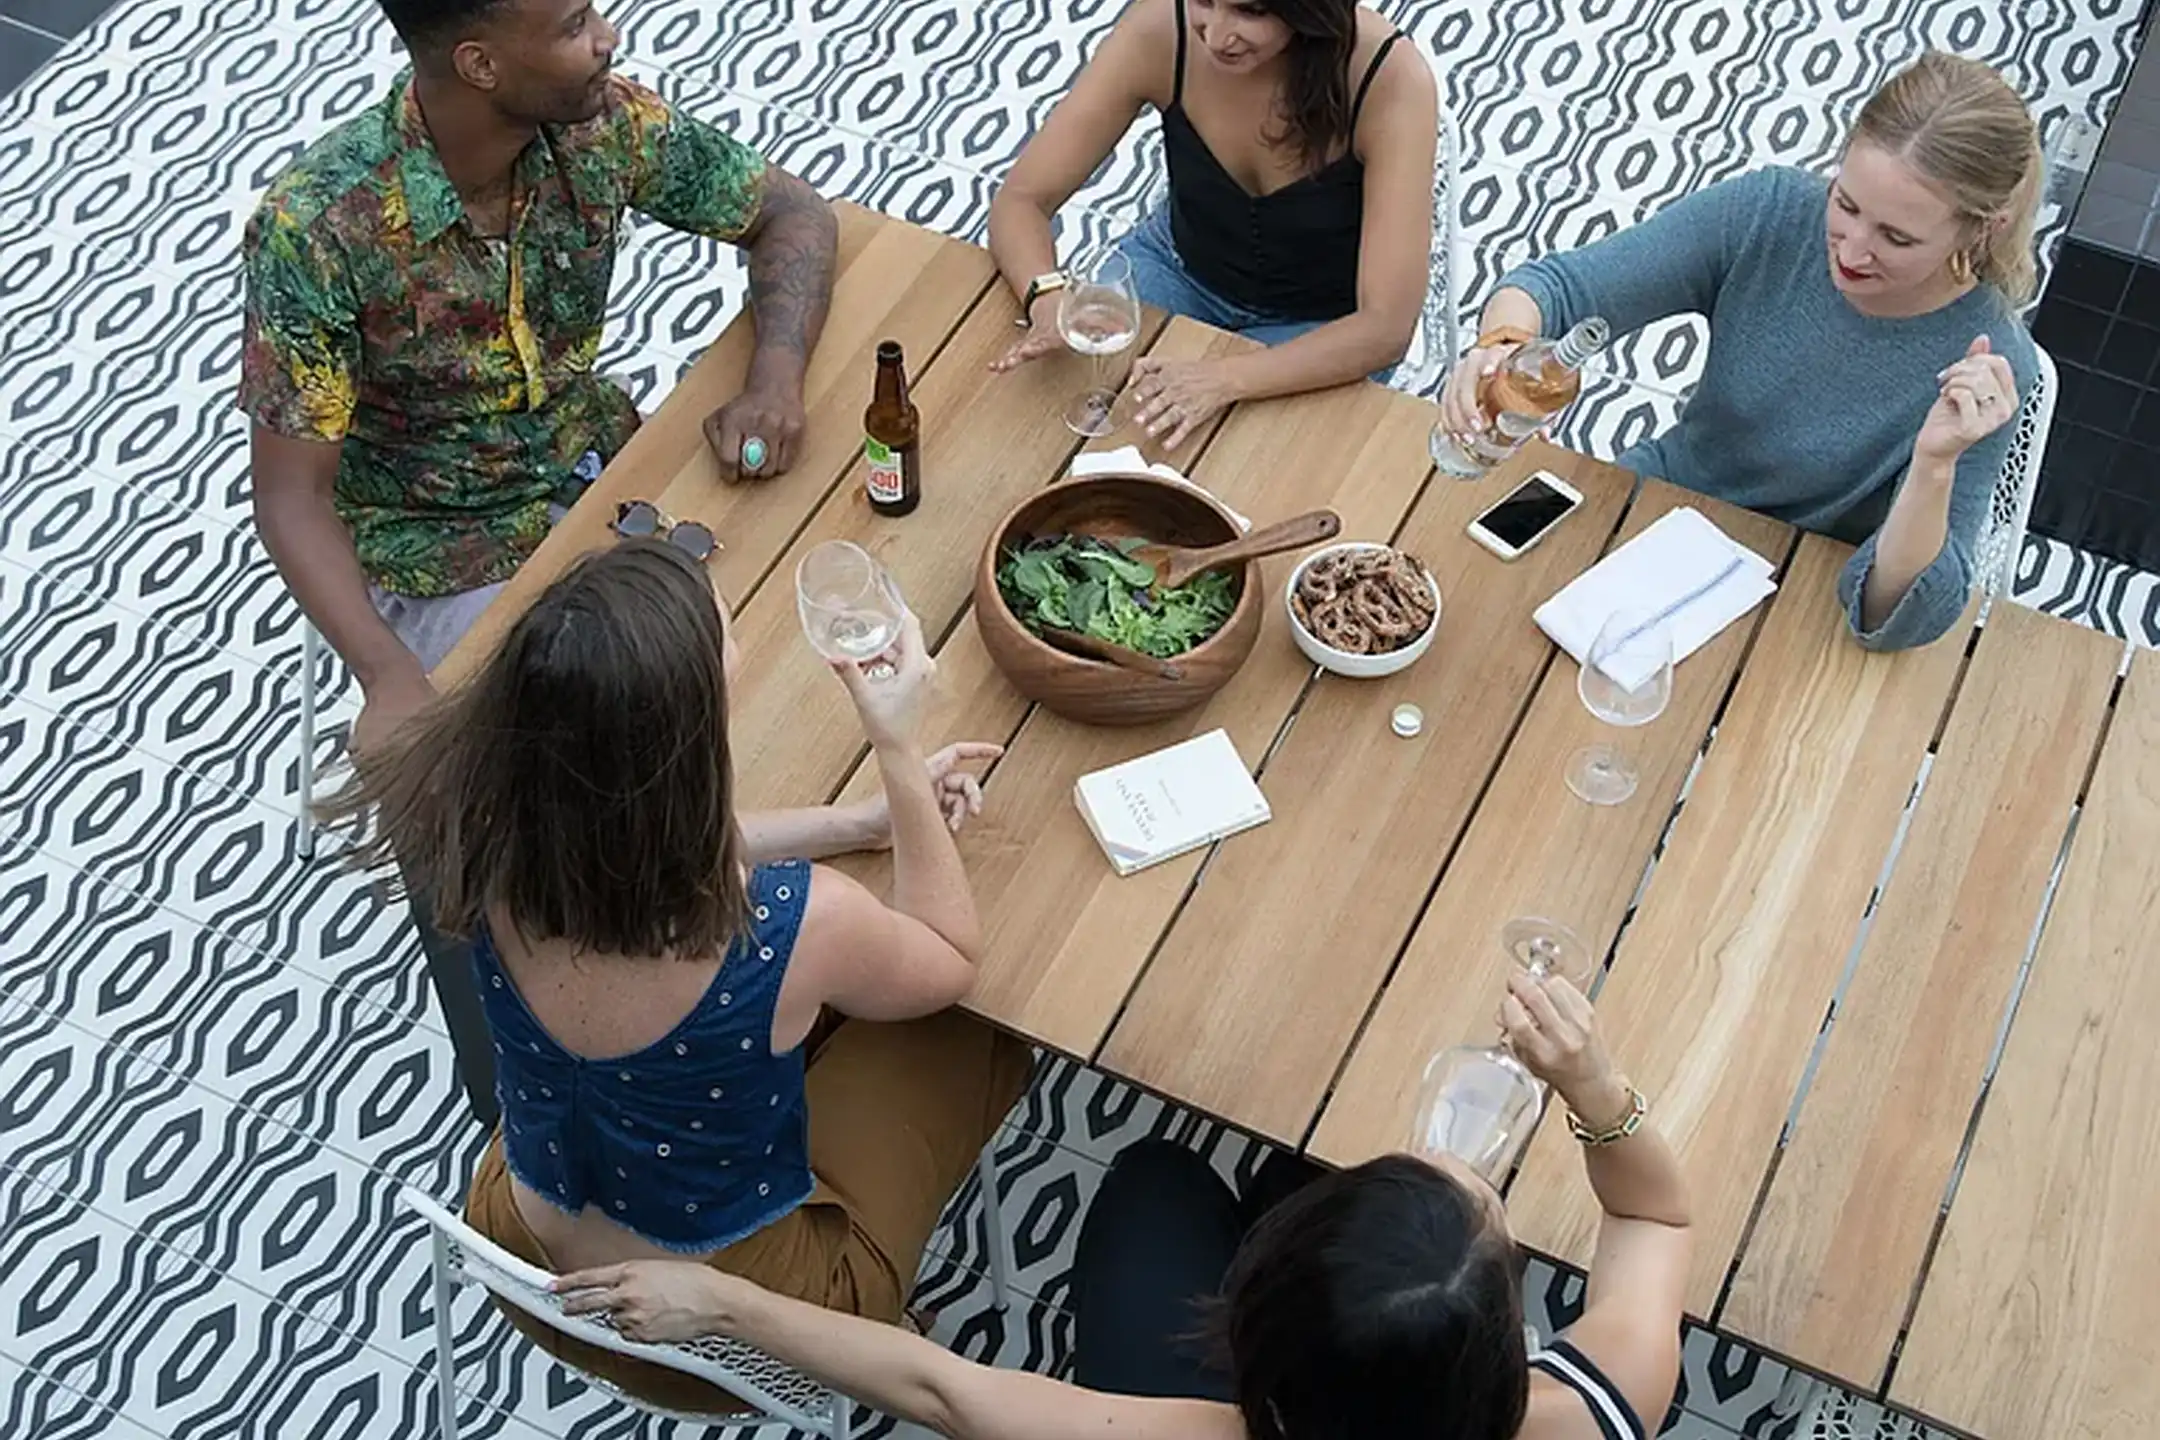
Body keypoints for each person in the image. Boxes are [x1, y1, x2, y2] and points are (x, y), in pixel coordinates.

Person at [316, 539, 1034, 1414]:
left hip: (526, 1255)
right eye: (724, 637)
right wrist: (897, 749)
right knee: (977, 1030)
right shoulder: (797, 921)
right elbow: (948, 956)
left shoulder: (482, 822)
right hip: (728, 1335)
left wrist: (851, 824)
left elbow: (649, 838)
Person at [551, 970, 1692, 1440]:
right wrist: (1592, 1085)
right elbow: (1654, 1222)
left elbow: (941, 1385)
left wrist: (722, 1302)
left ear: (1260, 1362)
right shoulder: (1598, 1407)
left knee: (1157, 1179)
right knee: (1288, 1173)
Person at [242, 0, 839, 745]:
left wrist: (774, 381)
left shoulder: (603, 124)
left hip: (598, 466)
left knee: (803, 625)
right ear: (480, 65)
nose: (608, 39)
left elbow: (794, 215)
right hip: (441, 552)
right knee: (597, 767)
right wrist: (387, 674)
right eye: (573, 25)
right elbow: (291, 498)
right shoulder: (319, 230)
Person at [1442, 51, 2040, 653]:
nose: (1851, 252)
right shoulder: (1770, 212)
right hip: (1664, 505)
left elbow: (1900, 618)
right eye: (1846, 204)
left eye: (1897, 238)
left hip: (1797, 594)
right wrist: (1502, 349)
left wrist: (1935, 465)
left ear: (1982, 228)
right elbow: (1561, 288)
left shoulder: (1988, 365)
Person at [987, 0, 1437, 449]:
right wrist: (1045, 296)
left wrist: (1224, 379)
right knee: (1061, 420)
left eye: (1251, 11)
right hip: (1176, 268)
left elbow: (1385, 328)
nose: (1216, 36)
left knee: (1238, 464)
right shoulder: (1162, 30)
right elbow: (1022, 200)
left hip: (1325, 326)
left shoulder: (1389, 78)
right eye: (1203, 0)